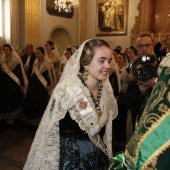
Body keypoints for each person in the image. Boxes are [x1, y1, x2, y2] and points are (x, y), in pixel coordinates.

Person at [23, 39, 118, 169]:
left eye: (109, 61)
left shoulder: (106, 91)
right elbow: (49, 132)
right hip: (71, 159)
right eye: (101, 61)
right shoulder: (65, 91)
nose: (107, 66)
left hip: (97, 158)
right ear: (85, 62)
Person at [109, 38, 170, 170]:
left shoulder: (163, 66)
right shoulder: (133, 73)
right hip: (134, 123)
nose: (144, 48)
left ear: (153, 45)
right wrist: (140, 92)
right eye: (140, 46)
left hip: (156, 131)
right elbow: (122, 102)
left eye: (147, 45)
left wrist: (158, 84)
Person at [23, 47, 54, 126]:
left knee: (40, 102)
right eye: (36, 53)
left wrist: (49, 84)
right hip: (34, 84)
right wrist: (29, 84)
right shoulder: (35, 62)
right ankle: (31, 121)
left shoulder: (48, 62)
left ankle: (40, 122)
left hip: (42, 86)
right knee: (32, 101)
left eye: (38, 53)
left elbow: (50, 75)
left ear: (43, 54)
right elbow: (33, 74)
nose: (37, 55)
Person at [0, 44, 28, 124]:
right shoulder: (2, 60)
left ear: (10, 50)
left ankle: (13, 117)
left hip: (14, 84)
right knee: (5, 100)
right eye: (4, 50)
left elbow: (21, 73)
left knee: (13, 100)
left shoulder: (16, 60)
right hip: (4, 84)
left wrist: (22, 84)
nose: (5, 51)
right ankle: (5, 116)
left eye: (7, 50)